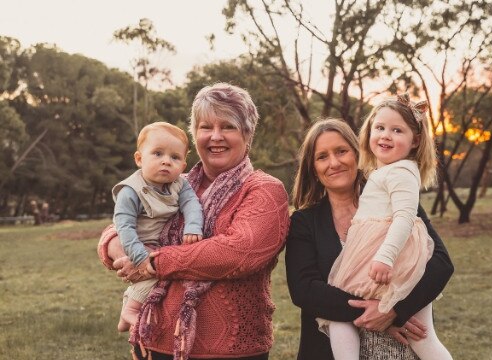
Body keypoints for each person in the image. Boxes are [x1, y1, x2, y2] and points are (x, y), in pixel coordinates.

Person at [97, 83, 290, 360]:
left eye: (228, 127)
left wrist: (152, 262)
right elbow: (117, 227)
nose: (215, 136)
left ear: (248, 134)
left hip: (230, 349)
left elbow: (236, 253)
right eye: (205, 127)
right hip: (154, 338)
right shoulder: (172, 183)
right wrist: (122, 250)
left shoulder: (263, 190)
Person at [286, 118, 454, 360]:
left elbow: (440, 263)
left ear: (358, 153)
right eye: (322, 157)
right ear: (313, 167)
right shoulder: (304, 222)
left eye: (341, 151)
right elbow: (304, 290)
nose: (334, 162)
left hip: (400, 351)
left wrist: (395, 311)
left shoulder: (394, 200)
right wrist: (375, 314)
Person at [112, 122, 204, 332]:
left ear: (183, 166)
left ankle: (127, 310)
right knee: (154, 271)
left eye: (175, 157)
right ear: (139, 159)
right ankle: (131, 309)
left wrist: (193, 227)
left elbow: (192, 205)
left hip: (160, 242)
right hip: (137, 241)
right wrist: (139, 256)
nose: (166, 161)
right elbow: (124, 227)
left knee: (162, 267)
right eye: (157, 154)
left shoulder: (180, 184)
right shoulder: (131, 191)